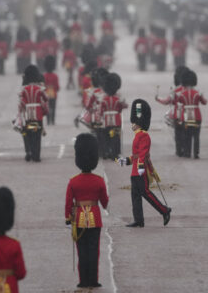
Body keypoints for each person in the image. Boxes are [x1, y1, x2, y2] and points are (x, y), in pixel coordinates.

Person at [117, 99, 172, 228]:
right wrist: (127, 160)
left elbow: (143, 154)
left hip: (141, 170)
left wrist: (141, 167)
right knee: (135, 196)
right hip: (135, 170)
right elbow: (136, 156)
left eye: (134, 122)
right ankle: (139, 220)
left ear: (139, 123)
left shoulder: (144, 136)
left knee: (146, 193)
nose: (132, 124)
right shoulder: (138, 135)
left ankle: (164, 210)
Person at [65, 133, 108, 289]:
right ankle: (93, 280)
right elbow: (105, 202)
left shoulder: (73, 181)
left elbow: (68, 203)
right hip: (95, 218)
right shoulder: (99, 181)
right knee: (94, 250)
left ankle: (83, 280)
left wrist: (68, 219)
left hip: (78, 219)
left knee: (81, 251)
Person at [16, 65, 48, 162]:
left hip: (27, 114)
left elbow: (21, 103)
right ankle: (36, 154)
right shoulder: (40, 88)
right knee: (38, 135)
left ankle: (28, 151)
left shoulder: (24, 89)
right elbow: (45, 100)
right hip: (38, 114)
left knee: (25, 132)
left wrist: (20, 113)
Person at [155, 66, 188, 157]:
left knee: (178, 133)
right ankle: (186, 150)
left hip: (177, 114)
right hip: (188, 114)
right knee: (187, 133)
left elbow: (167, 101)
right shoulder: (190, 90)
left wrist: (158, 99)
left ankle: (179, 150)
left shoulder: (175, 90)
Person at [176, 69, 207, 159]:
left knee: (187, 135)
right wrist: (202, 96)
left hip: (186, 116)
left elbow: (178, 104)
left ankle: (187, 153)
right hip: (196, 115)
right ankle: (196, 153)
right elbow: (204, 102)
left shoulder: (181, 94)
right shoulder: (197, 93)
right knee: (196, 135)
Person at [98, 73, 127, 160]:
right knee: (115, 137)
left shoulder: (104, 99)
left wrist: (100, 118)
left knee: (106, 137)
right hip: (116, 119)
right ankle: (115, 153)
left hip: (106, 120)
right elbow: (122, 107)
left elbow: (101, 110)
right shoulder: (118, 99)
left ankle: (106, 152)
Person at [43, 55, 60, 126]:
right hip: (53, 94)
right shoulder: (55, 76)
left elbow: (42, 87)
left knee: (47, 108)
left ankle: (48, 121)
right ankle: (53, 120)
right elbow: (57, 87)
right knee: (53, 108)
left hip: (46, 94)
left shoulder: (44, 76)